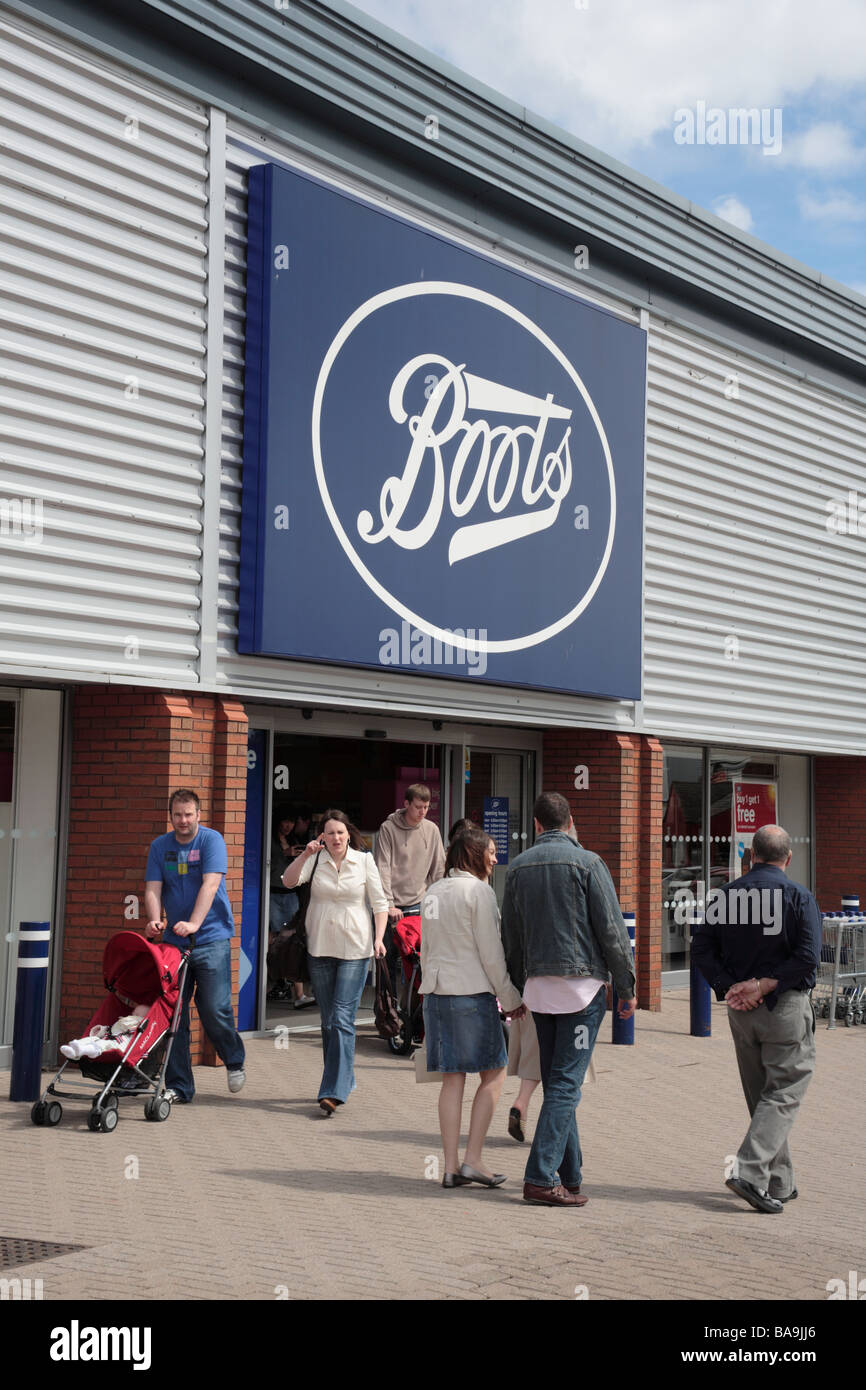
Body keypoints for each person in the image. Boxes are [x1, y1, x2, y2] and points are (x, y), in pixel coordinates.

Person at [501, 791, 636, 1208]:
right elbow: (612, 931)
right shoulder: (589, 863)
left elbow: (512, 937)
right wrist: (627, 986)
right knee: (564, 1085)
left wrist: (516, 990)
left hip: (540, 991)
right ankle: (540, 1178)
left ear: (537, 825)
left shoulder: (518, 867)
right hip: (581, 990)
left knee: (560, 1082)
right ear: (570, 821)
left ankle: (570, 1175)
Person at [691, 823, 821, 1214]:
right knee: (783, 1092)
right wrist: (764, 985)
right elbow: (809, 958)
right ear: (789, 857)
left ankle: (780, 1182)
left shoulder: (724, 897)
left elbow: (701, 947)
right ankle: (748, 1172)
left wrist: (730, 986)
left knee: (763, 1095)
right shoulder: (799, 896)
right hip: (784, 1008)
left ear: (751, 856)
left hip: (741, 1013)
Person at [421, 825, 525, 1189]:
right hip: (471, 994)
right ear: (474, 855)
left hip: (436, 993)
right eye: (492, 852)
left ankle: (449, 1167)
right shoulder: (479, 892)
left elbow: (426, 950)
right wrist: (511, 999)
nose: (495, 859)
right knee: (495, 1074)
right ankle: (473, 1160)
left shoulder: (433, 891)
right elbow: (492, 955)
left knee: (452, 1080)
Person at [282, 808, 388, 1115]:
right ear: (322, 837)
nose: (336, 838)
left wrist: (379, 938)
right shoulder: (315, 859)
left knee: (342, 1018)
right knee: (328, 1021)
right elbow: (289, 882)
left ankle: (333, 1090)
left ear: (348, 833)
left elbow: (380, 904)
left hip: (356, 948)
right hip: (320, 947)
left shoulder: (364, 861)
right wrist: (305, 855)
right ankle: (345, 1077)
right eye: (330, 833)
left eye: (340, 832)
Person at [144, 789, 246, 1103]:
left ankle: (234, 1059)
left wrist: (194, 923)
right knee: (175, 1014)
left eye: (189, 814)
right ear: (170, 816)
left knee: (214, 1008)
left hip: (211, 938)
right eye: (178, 815)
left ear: (198, 815)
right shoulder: (160, 846)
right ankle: (179, 1086)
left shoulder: (211, 840)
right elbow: (152, 888)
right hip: (174, 944)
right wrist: (153, 919)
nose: (183, 820)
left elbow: (211, 883)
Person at [376, 783, 446, 990]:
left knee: (417, 963)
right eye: (418, 807)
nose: (422, 812)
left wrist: (436, 900)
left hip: (420, 904)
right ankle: (388, 1010)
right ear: (406, 804)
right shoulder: (388, 828)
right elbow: (383, 868)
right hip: (393, 906)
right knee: (387, 961)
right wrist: (389, 904)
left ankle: (412, 1012)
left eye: (426, 807)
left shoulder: (431, 829)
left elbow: (439, 869)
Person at [268, 809, 314, 1008]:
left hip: (290, 895)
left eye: (291, 822)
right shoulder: (269, 839)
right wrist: (284, 855)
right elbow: (267, 866)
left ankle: (299, 994)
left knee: (295, 939)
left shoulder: (296, 839)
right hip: (272, 893)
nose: (288, 826)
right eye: (285, 821)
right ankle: (272, 983)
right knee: (272, 939)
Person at [61, 1003, 149, 1060]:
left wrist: (130, 1019)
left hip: (120, 1045)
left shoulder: (137, 1024)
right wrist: (101, 1029)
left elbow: (127, 1027)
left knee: (103, 1044)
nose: (132, 1015)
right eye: (133, 1013)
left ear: (142, 1019)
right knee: (92, 1039)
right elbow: (111, 1029)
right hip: (108, 1038)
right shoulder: (123, 1022)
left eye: (136, 1014)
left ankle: (83, 1049)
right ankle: (74, 1050)